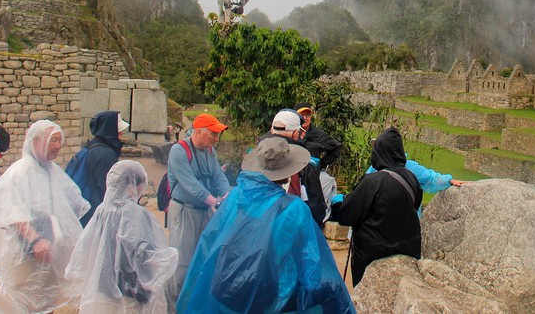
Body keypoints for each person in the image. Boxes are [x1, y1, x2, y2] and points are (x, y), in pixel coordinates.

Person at [177, 137, 355, 313]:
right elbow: (310, 265)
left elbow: (209, 242)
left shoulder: (236, 196)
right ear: (288, 172)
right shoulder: (294, 208)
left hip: (225, 288)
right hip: (268, 295)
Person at [0, 120, 90, 313]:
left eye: (60, 140)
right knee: (26, 300)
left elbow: (70, 202)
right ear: (36, 142)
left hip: (48, 249)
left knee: (46, 298)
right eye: (53, 140)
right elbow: (11, 209)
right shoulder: (21, 171)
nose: (58, 146)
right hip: (25, 251)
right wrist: (34, 239)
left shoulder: (51, 170)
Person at [67, 160, 178, 313]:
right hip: (128, 296)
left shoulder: (102, 210)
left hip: (101, 290)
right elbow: (144, 256)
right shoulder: (136, 214)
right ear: (132, 187)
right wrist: (170, 256)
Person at [330, 126, 422, 286]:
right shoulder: (411, 178)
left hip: (372, 255)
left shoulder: (373, 182)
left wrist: (339, 202)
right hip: (406, 253)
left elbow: (347, 214)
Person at [164, 113, 231, 312]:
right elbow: (190, 185)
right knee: (182, 264)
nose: (216, 139)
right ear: (198, 131)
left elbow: (218, 177)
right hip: (185, 210)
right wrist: (216, 202)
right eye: (213, 134)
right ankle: (174, 308)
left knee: (204, 259)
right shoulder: (179, 151)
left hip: (204, 211)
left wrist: (227, 195)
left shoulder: (209, 151)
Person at [260, 109, 327, 225]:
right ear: (296, 134)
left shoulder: (255, 157)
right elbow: (316, 206)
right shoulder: (305, 164)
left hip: (256, 228)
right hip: (290, 228)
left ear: (271, 129)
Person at [78, 110, 130, 226]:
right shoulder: (105, 153)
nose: (121, 134)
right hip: (99, 212)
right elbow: (108, 188)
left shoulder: (94, 146)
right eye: (119, 131)